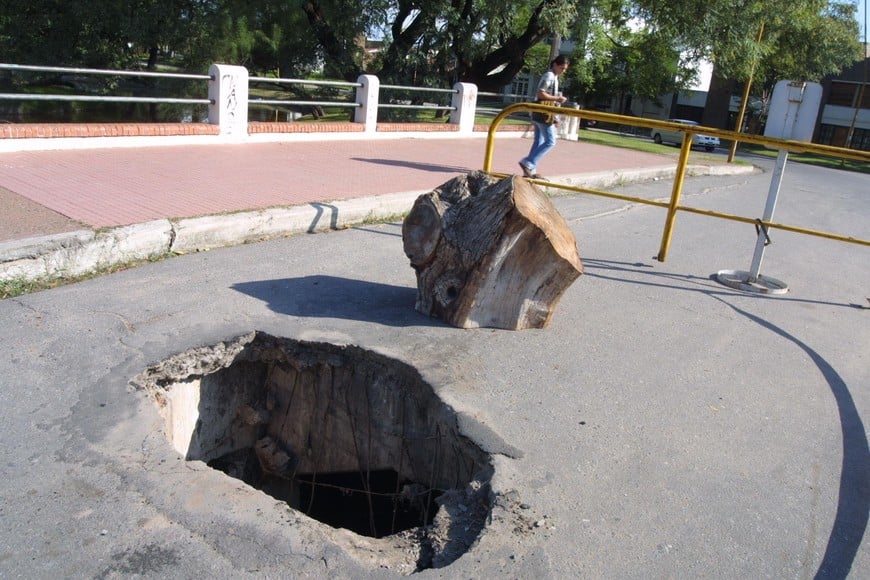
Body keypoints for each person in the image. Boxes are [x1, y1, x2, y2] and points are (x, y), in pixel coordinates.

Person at [519, 55, 569, 179]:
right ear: (555, 65)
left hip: (541, 112)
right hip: (543, 112)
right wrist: (558, 98)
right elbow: (540, 93)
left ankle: (530, 171)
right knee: (551, 141)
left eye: (565, 69)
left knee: (539, 141)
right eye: (562, 68)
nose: (563, 71)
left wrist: (555, 116)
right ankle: (528, 163)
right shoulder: (550, 76)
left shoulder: (554, 77)